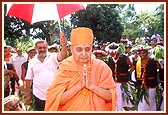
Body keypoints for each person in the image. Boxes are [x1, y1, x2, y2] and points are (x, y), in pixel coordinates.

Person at [45, 27, 117, 111]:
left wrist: (92, 86)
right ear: (71, 49)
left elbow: (111, 96)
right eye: (79, 49)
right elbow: (56, 100)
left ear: (92, 49)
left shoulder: (101, 67)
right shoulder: (65, 67)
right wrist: (79, 86)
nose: (84, 54)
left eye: (87, 49)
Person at [25, 32, 67, 111]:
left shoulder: (52, 57)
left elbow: (62, 57)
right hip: (39, 95)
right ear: (36, 49)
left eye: (44, 47)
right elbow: (28, 79)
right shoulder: (32, 62)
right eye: (40, 48)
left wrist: (64, 46)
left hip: (54, 94)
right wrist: (27, 94)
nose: (42, 50)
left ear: (47, 48)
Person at [107, 43, 134, 111]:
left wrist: (128, 74)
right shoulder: (109, 59)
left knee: (123, 99)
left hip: (122, 81)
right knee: (115, 98)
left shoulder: (124, 58)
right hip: (113, 82)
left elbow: (132, 66)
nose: (112, 54)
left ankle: (122, 110)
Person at [132, 45, 158, 111]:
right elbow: (132, 71)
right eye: (140, 53)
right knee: (143, 104)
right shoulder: (137, 62)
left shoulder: (152, 61)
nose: (141, 54)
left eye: (143, 53)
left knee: (150, 103)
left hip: (151, 85)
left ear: (146, 53)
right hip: (141, 86)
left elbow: (159, 69)